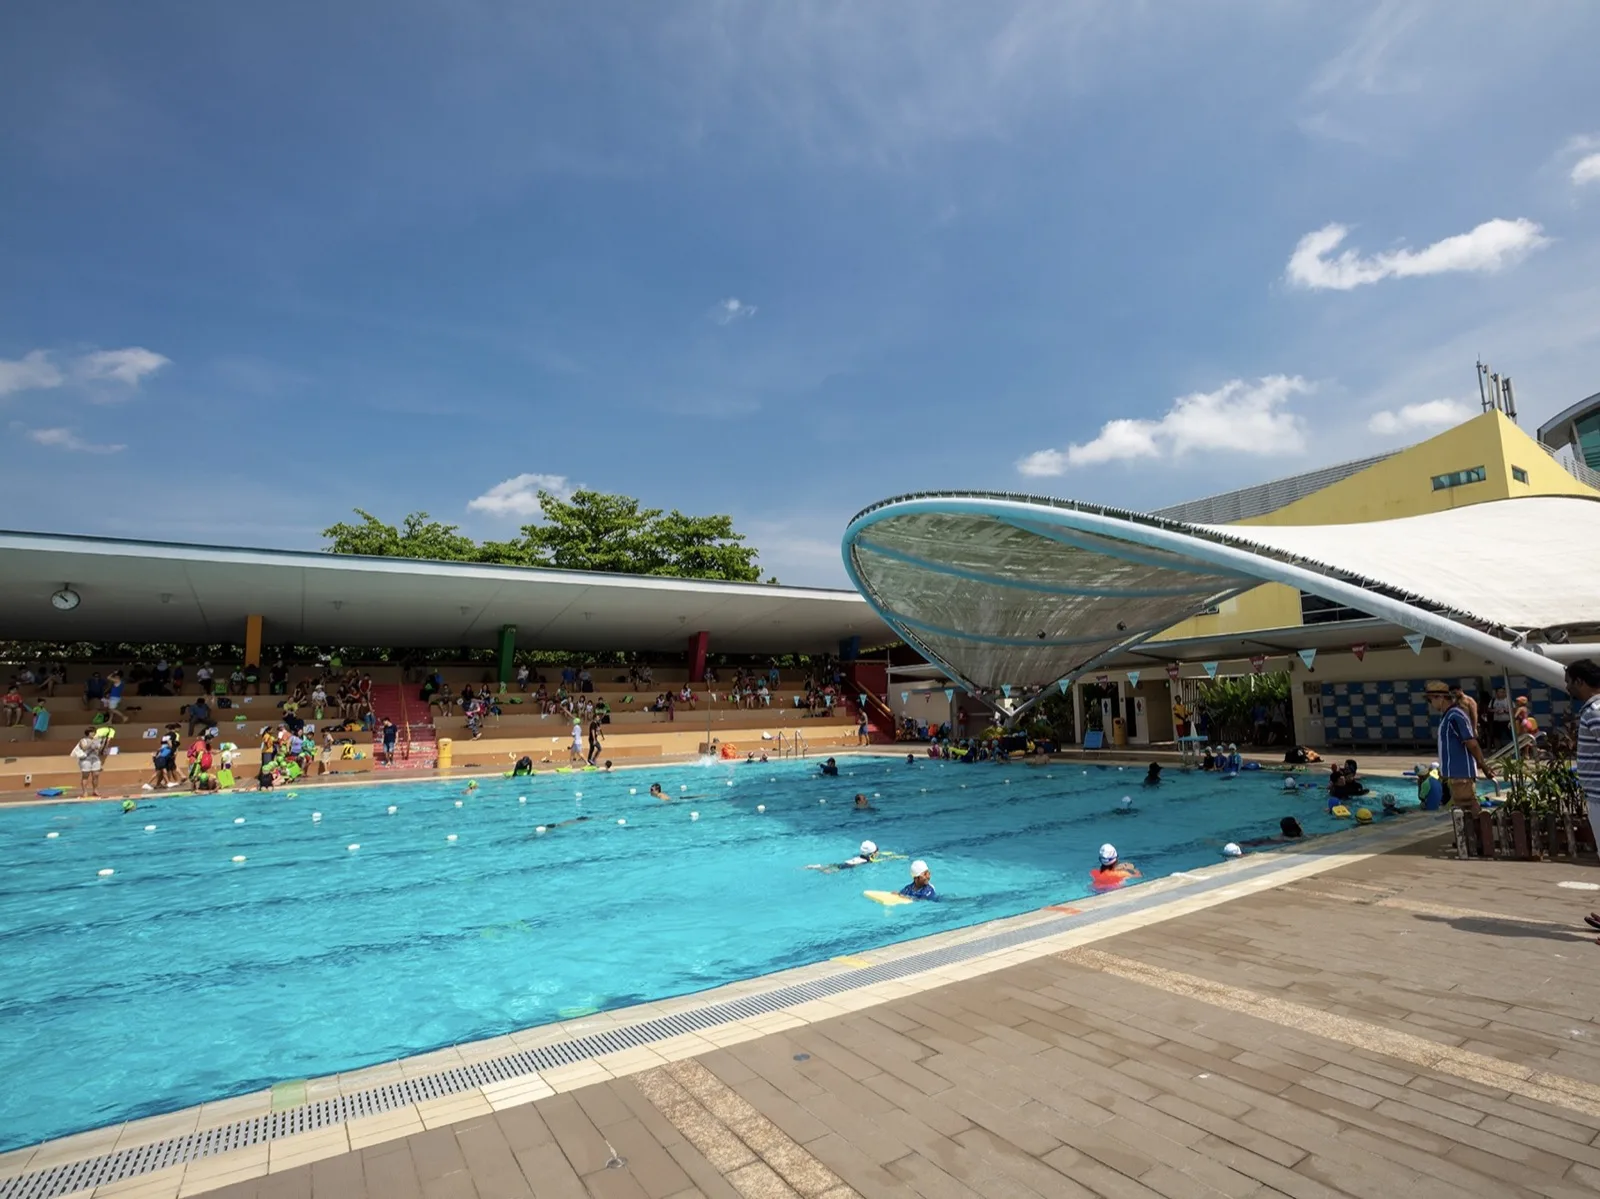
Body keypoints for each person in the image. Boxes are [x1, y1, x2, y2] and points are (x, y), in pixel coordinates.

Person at [1424, 679, 1494, 836]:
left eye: (1431, 700)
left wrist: (1483, 765)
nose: (1431, 704)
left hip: (1461, 771)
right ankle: (1472, 837)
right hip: (1455, 771)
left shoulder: (1456, 715)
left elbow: (1471, 743)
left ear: (1440, 698)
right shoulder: (1448, 716)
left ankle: (1477, 836)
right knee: (1464, 805)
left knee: (1468, 803)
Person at [807, 840, 880, 873]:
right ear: (872, 854)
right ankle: (818, 867)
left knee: (834, 865)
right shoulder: (869, 860)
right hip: (849, 865)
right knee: (828, 871)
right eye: (877, 851)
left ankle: (819, 866)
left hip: (848, 862)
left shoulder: (860, 856)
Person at [72, 728, 103, 798]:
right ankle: (85, 791)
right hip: (86, 759)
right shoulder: (83, 740)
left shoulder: (97, 740)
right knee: (85, 776)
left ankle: (95, 790)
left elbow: (99, 749)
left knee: (96, 775)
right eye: (91, 732)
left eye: (94, 732)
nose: (93, 733)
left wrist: (101, 743)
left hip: (95, 758)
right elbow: (84, 748)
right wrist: (92, 742)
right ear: (88, 733)